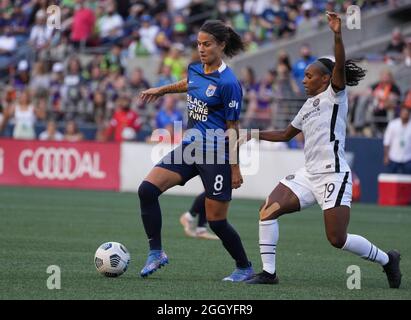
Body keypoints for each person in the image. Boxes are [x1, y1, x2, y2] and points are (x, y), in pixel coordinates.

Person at [244, 12, 401, 288]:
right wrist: (250, 134)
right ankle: (268, 273)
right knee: (267, 210)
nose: (304, 80)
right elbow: (283, 134)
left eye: (308, 76)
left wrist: (337, 34)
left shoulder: (335, 95)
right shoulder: (308, 105)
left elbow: (339, 63)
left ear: (326, 79)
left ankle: (388, 260)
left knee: (337, 239)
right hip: (309, 174)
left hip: (333, 175)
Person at [138, 20, 254, 281]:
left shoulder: (229, 83)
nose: (201, 49)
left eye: (207, 44)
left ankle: (244, 267)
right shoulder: (196, 68)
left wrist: (235, 168)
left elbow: (233, 128)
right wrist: (162, 90)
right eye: (199, 44)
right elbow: (189, 83)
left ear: (221, 45)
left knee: (216, 222)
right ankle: (156, 252)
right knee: (147, 190)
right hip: (190, 148)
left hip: (216, 154)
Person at [383, 106, 411, 174]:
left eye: (406, 113)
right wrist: (386, 156)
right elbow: (387, 141)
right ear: (400, 113)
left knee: (408, 180)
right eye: (403, 113)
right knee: (391, 179)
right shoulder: (393, 124)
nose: (405, 115)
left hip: (408, 157)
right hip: (393, 157)